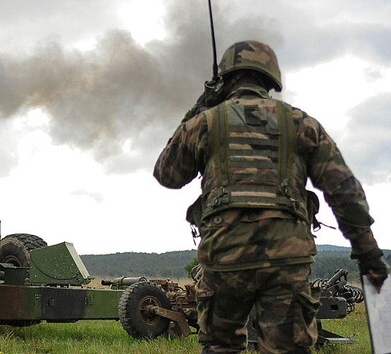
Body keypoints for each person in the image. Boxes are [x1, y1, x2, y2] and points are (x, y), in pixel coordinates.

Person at [154, 40, 388, 353]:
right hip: (287, 258)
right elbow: (344, 191)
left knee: (221, 346)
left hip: (225, 257)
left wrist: (201, 107)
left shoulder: (206, 123)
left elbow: (168, 175)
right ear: (271, 79)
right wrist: (369, 254)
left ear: (226, 79)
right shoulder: (302, 124)